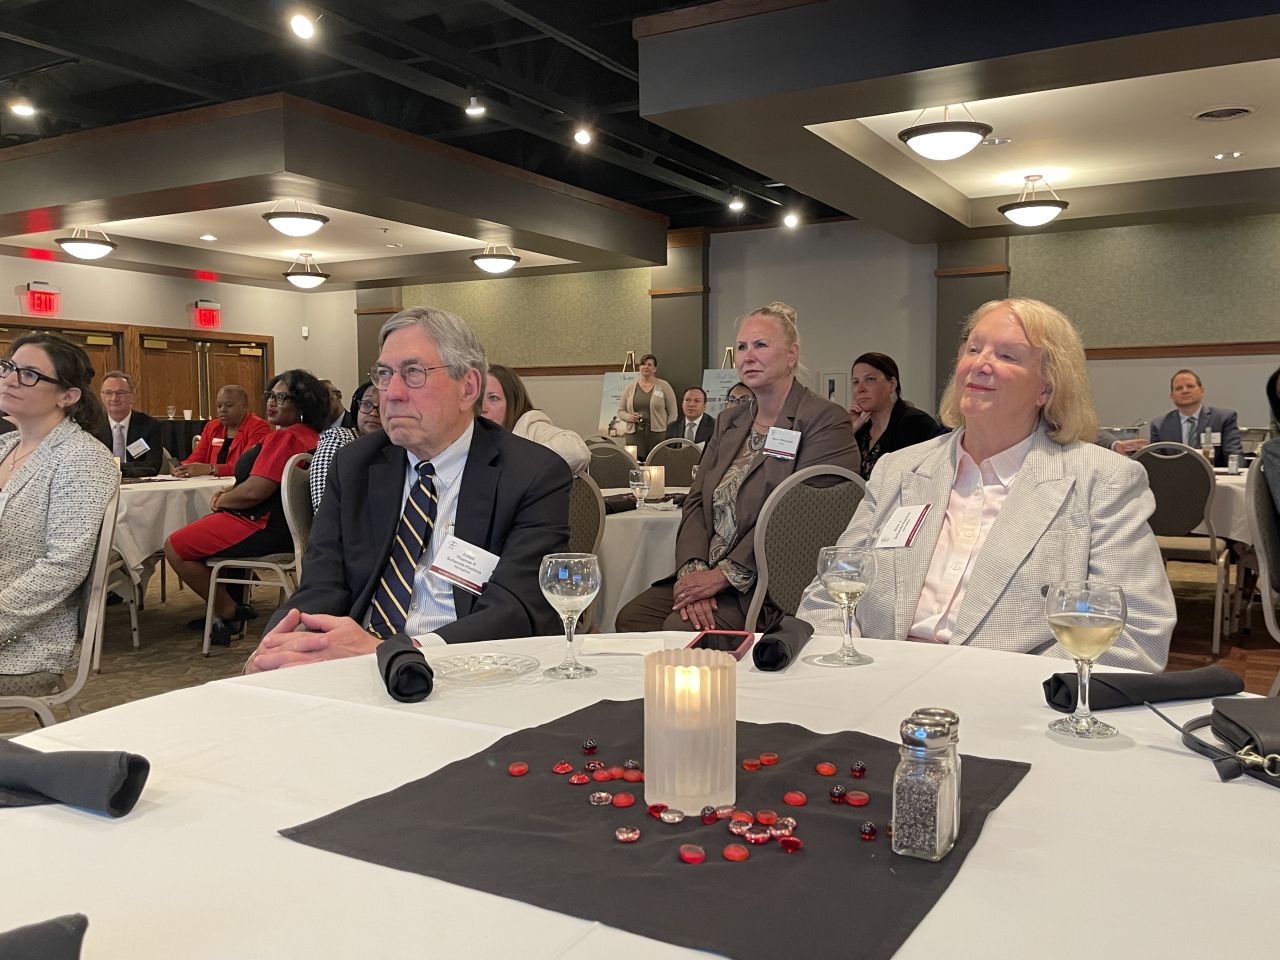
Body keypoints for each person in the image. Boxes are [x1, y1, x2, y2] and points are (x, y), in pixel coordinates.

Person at [796, 298, 1176, 673]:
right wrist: (849, 673)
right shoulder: (898, 469)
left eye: (1007, 356)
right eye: (974, 349)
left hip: (1012, 695)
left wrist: (1006, 694)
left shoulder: (1102, 480)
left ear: (1047, 388)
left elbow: (1136, 632)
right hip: (875, 679)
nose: (979, 364)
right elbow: (828, 594)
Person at [245, 306, 571, 673]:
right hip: (351, 665)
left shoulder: (532, 474)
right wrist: (275, 647)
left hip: (465, 669)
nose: (391, 393)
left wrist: (394, 651)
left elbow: (516, 609)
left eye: (414, 373)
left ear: (468, 388)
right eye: (384, 374)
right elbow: (322, 585)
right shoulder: (355, 465)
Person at [616, 301, 859, 633]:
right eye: (742, 347)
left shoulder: (823, 420)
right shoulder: (730, 420)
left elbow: (803, 520)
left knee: (680, 629)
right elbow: (696, 501)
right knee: (633, 618)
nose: (748, 356)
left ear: (792, 355)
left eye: (761, 345)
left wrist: (721, 577)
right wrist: (694, 570)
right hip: (709, 571)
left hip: (768, 582)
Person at [164, 370, 329, 646]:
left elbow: (254, 492)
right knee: (208, 537)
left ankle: (228, 611)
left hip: (259, 522)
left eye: (281, 397)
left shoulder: (285, 438)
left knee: (175, 546)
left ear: (303, 403)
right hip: (287, 530)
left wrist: (221, 500)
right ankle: (228, 609)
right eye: (270, 395)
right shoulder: (312, 437)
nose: (272, 402)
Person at [0, 333, 117, 695]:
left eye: (29, 374)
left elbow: (62, 567)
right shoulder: (5, 446)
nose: (10, 379)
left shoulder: (82, 458)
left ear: (68, 396)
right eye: (8, 367)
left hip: (23, 637)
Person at [482, 364, 590, 475]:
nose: (482, 408)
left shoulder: (529, 426)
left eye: (493, 398)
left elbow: (577, 452)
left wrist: (515, 459)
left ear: (512, 402)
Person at [848, 352, 941, 479]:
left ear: (892, 384)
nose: (860, 389)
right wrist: (849, 431)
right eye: (855, 382)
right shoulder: (861, 432)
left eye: (870, 379)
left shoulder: (916, 424)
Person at [172, 384, 271, 478]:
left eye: (229, 405)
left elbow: (246, 466)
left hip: (241, 484)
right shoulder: (212, 426)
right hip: (212, 483)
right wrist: (182, 467)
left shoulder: (258, 427)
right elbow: (197, 457)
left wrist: (210, 469)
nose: (222, 410)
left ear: (244, 406)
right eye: (219, 406)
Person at [310, 382, 381, 511]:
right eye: (367, 404)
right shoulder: (338, 438)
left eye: (383, 406)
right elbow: (323, 504)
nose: (373, 413)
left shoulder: (399, 446)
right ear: (356, 407)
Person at [1149, 369, 1243, 467]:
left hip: (1214, 475)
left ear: (1202, 391)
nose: (1185, 391)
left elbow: (1234, 455)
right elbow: (1156, 464)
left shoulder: (1224, 418)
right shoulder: (1159, 425)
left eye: (1190, 386)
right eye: (1179, 388)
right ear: (1172, 396)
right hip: (1175, 475)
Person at [91, 370, 163, 477]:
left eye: (120, 393)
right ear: (101, 396)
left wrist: (117, 469)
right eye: (108, 393)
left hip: (139, 483)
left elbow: (153, 466)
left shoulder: (150, 425)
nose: (114, 398)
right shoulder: (91, 426)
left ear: (132, 396)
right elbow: (90, 465)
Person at [617, 353, 678, 459]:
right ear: (639, 367)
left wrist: (669, 430)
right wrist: (629, 417)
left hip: (658, 435)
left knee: (657, 463)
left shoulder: (664, 386)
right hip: (634, 435)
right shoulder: (630, 387)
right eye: (643, 364)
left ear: (655, 369)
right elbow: (620, 411)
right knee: (634, 463)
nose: (646, 367)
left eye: (649, 365)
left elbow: (673, 412)